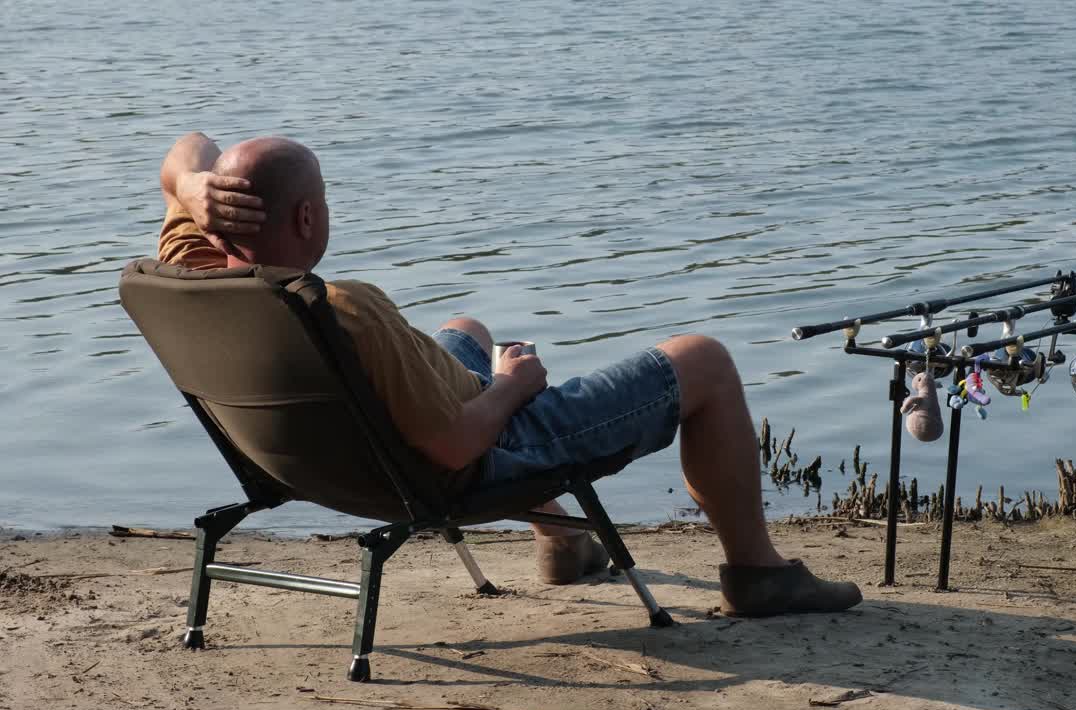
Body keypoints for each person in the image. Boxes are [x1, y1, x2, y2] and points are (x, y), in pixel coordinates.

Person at [155, 131, 862, 616]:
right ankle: (757, 573)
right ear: (308, 217)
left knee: (464, 330)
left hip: (323, 466)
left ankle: (561, 542)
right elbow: (458, 447)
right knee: (702, 360)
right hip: (469, 455)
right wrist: (512, 388)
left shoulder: (193, 271)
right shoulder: (347, 309)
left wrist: (191, 183)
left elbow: (186, 150)